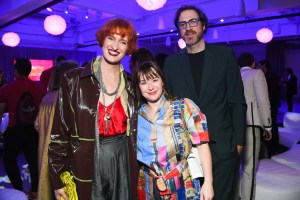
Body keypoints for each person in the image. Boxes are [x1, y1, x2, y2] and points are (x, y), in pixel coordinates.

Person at [48, 18, 139, 200]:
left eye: (123, 42)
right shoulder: (73, 80)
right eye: (111, 38)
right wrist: (57, 177)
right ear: (102, 39)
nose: (115, 46)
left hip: (123, 160)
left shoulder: (132, 84)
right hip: (86, 160)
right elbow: (59, 132)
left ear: (128, 48)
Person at [163, 5, 246, 200]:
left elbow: (237, 102)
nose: (188, 28)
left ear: (203, 25)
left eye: (193, 22)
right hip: (188, 153)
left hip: (223, 148)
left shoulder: (224, 56)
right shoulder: (172, 63)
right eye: (182, 24)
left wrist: (239, 144)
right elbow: (168, 107)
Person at [132, 61, 214, 200]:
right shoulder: (135, 117)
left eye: (154, 80)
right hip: (148, 188)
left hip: (183, 185)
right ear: (138, 87)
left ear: (162, 82)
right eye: (144, 82)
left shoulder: (184, 107)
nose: (150, 87)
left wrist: (208, 182)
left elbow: (203, 145)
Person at [0, 58, 47, 199]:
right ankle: (35, 191)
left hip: (14, 129)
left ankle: (19, 189)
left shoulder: (6, 89)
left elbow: (0, 112)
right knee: (33, 161)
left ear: (16, 71)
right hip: (33, 130)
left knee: (9, 159)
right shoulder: (40, 88)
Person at [35, 60, 78, 200]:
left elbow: (36, 125)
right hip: (63, 156)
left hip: (45, 153)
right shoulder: (69, 98)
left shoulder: (47, 97)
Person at [237, 53, 272, 200]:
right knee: (249, 167)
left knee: (236, 166)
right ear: (253, 63)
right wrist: (268, 126)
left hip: (233, 126)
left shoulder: (234, 75)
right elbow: (263, 100)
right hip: (250, 124)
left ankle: (237, 195)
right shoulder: (256, 73)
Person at [257, 60, 281, 157]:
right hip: (269, 105)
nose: (258, 66)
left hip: (272, 105)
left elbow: (272, 93)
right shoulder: (267, 76)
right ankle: (270, 147)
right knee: (270, 125)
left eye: (259, 65)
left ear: (264, 65)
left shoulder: (271, 77)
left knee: (273, 126)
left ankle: (274, 148)